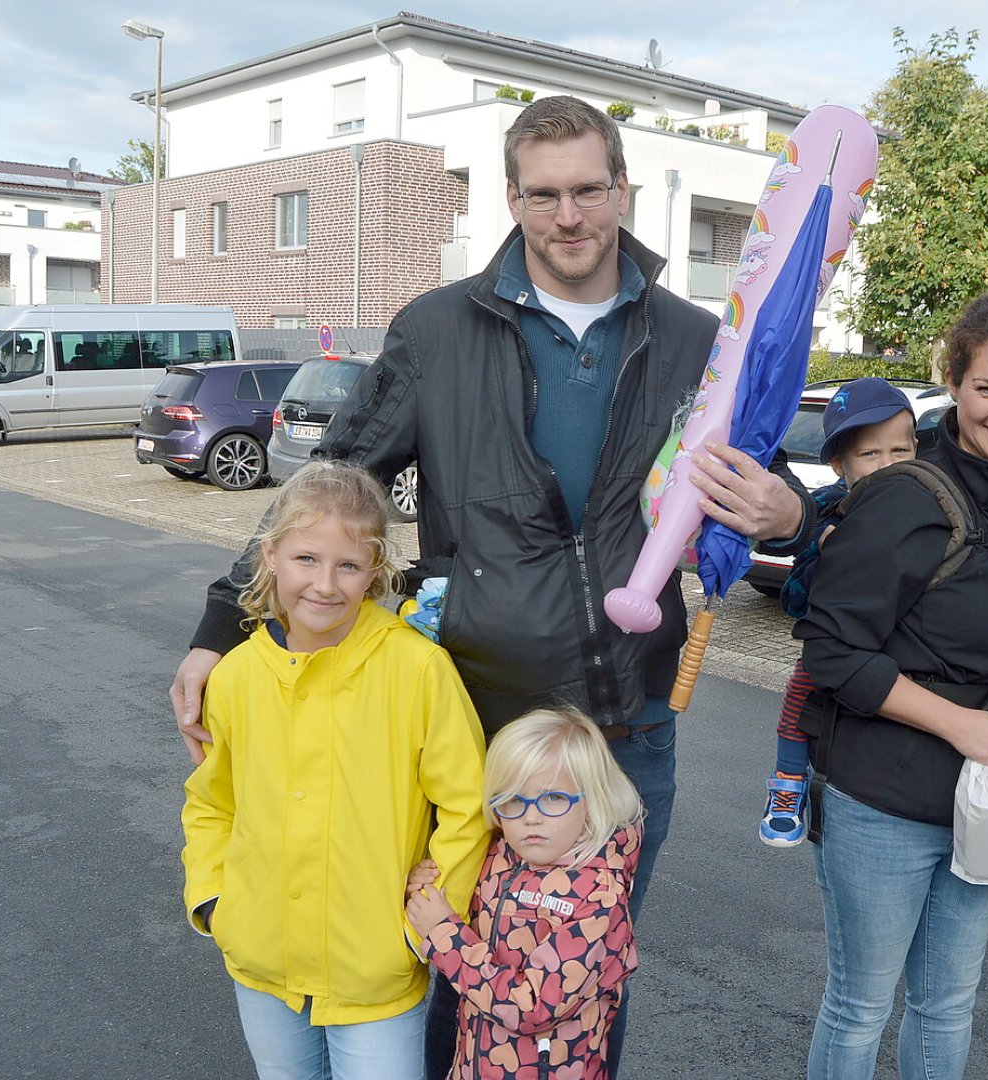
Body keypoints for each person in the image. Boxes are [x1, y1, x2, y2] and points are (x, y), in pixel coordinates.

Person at [168, 94, 814, 1078]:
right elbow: (330, 484)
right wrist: (224, 622)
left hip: (621, 725)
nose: (568, 217)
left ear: (622, 188)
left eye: (588, 190)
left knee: (585, 986)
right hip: (466, 722)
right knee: (446, 961)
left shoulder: (694, 339)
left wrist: (787, 514)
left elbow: (768, 469)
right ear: (511, 199)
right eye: (543, 195)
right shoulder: (435, 330)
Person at [795, 293, 988, 1080]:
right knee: (861, 1003)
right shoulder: (902, 497)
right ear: (952, 383)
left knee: (948, 1002)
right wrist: (957, 725)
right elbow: (831, 650)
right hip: (882, 797)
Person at [180, 461, 491, 1080]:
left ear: (375, 570)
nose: (324, 585)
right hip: (262, 961)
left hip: (373, 969)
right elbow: (212, 802)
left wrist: (418, 925)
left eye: (348, 565)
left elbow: (469, 804)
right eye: (305, 560)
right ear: (269, 556)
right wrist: (216, 901)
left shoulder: (417, 670)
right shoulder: (238, 677)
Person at [406, 708, 643, 1080]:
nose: (531, 817)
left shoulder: (599, 898)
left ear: (592, 799)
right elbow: (459, 909)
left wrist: (443, 934)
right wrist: (426, 886)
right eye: (513, 801)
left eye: (553, 798)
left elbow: (531, 1007)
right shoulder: (499, 856)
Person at [760, 378, 916, 847]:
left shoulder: (930, 505)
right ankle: (787, 784)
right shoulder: (828, 512)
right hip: (835, 644)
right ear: (838, 465)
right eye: (870, 456)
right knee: (797, 700)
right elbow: (793, 598)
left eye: (899, 452)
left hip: (901, 652)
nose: (886, 466)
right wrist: (824, 555)